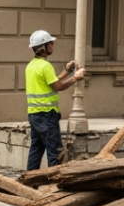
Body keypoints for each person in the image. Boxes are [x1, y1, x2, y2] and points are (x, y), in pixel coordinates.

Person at [25, 30, 86, 170]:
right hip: (47, 115)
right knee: (55, 153)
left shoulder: (31, 66)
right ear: (44, 46)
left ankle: (29, 183)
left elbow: (51, 82)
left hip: (34, 115)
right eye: (50, 43)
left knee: (36, 150)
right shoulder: (45, 66)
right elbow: (58, 86)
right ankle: (54, 186)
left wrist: (66, 71)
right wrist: (75, 77)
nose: (52, 45)